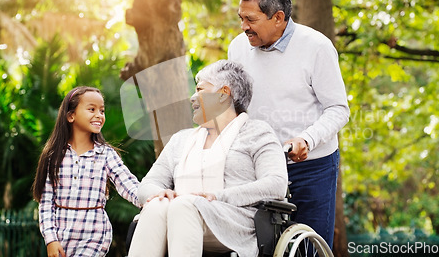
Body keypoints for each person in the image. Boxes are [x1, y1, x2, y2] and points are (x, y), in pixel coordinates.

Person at [228, 0, 350, 249]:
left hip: (312, 167)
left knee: (309, 248)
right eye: (241, 18)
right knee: (259, 247)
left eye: (250, 19)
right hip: (259, 166)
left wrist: (306, 139)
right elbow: (235, 108)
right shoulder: (238, 48)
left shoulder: (316, 47)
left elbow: (338, 109)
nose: (243, 27)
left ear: (278, 17)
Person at [128, 60, 288, 257]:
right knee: (157, 205)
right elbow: (148, 183)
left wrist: (218, 196)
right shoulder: (181, 139)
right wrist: (160, 193)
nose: (192, 97)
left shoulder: (257, 133)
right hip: (181, 213)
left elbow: (276, 183)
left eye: (200, 89)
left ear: (223, 94)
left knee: (183, 205)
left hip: (235, 222)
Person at [32, 86, 141, 257]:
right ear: (71, 115)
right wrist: (51, 239)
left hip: (95, 235)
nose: (99, 115)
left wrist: (152, 198)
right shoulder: (54, 157)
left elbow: (128, 184)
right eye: (92, 109)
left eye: (102, 110)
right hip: (62, 237)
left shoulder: (105, 154)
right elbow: (46, 203)